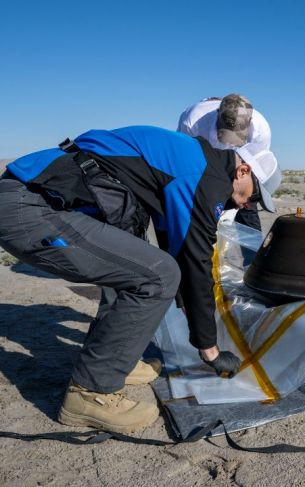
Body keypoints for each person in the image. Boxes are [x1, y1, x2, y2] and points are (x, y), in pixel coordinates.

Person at [0, 126, 281, 433]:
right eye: (253, 197)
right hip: (30, 207)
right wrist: (209, 349)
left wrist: (192, 314)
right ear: (242, 170)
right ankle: (90, 392)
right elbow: (193, 262)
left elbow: (178, 250)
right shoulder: (205, 176)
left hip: (37, 198)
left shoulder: (197, 160)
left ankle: (115, 357)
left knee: (139, 264)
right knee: (159, 275)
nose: (247, 205)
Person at [177, 93, 272, 231]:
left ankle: (253, 252)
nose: (229, 142)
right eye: (226, 133)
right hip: (205, 167)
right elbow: (185, 161)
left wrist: (242, 195)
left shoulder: (261, 129)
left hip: (240, 173)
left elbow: (257, 168)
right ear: (217, 116)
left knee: (248, 213)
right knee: (200, 216)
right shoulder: (193, 121)